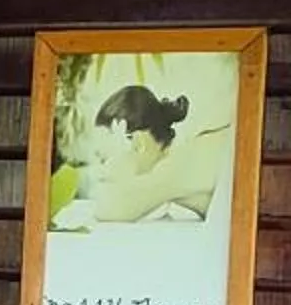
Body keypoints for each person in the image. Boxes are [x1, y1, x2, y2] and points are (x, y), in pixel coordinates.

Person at [57, 83, 227, 226]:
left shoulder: (179, 164)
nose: (102, 171)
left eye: (104, 159)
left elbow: (109, 207)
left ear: (139, 143)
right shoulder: (182, 163)